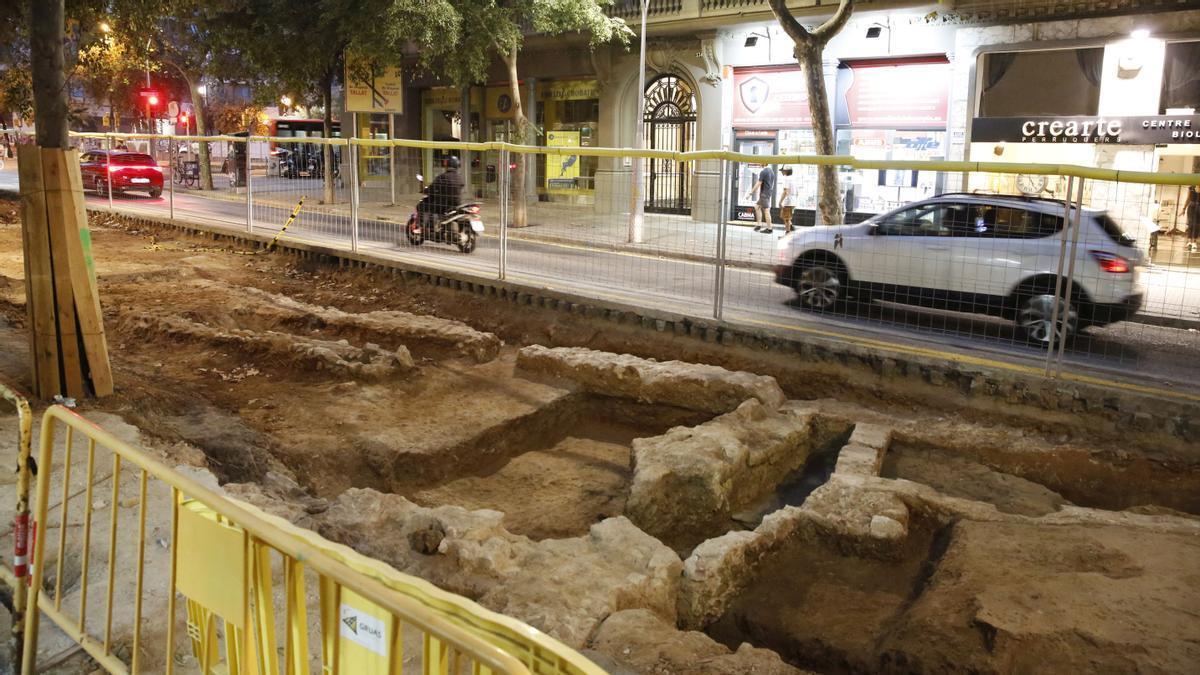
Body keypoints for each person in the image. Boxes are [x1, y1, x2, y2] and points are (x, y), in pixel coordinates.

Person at [421, 155, 464, 229]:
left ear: (447, 165)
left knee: (423, 205)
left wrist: (426, 191)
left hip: (443, 204)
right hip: (457, 203)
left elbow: (433, 187)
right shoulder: (459, 177)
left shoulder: (443, 177)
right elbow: (461, 185)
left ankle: (422, 227)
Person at [745, 163, 775, 234]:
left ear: (763, 163)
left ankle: (769, 228)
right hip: (768, 192)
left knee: (766, 210)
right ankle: (759, 225)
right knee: (757, 207)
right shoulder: (771, 171)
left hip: (764, 194)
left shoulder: (763, 172)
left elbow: (758, 183)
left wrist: (750, 193)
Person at [777, 166, 798, 234]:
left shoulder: (786, 179)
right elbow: (797, 192)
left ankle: (788, 233)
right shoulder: (794, 179)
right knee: (787, 216)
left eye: (782, 171)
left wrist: (780, 202)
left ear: (786, 171)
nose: (782, 172)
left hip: (788, 201)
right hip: (793, 201)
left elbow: (786, 191)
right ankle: (791, 226)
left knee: (786, 218)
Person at [1183, 184, 1199, 252]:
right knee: (1190, 224)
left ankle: (1194, 242)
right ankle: (1189, 241)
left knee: (1197, 225)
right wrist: (1184, 208)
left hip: (1199, 207)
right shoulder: (1191, 187)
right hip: (1191, 207)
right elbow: (1188, 198)